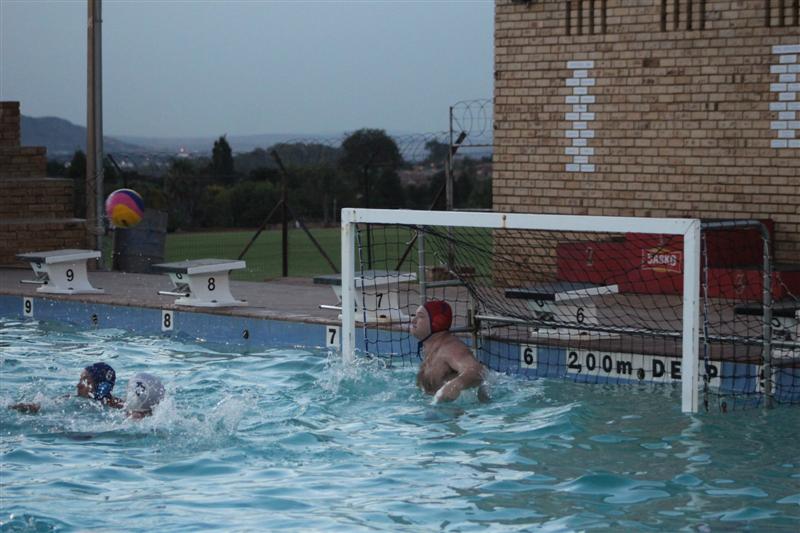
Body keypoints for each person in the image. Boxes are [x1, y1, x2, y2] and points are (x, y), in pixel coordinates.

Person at [411, 300, 487, 402]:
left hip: (458, 411)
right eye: (414, 315)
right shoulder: (431, 349)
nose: (413, 320)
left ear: (437, 322)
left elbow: (477, 370)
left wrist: (454, 386)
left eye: (420, 316)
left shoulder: (450, 348)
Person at [9, 362, 124, 414]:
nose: (78, 385)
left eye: (85, 381)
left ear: (101, 387)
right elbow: (42, 406)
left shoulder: (120, 406)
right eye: (80, 380)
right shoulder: (69, 400)